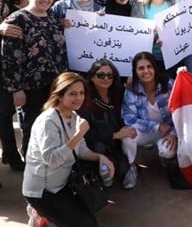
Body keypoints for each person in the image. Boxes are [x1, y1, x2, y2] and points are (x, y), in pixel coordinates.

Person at [23, 72, 115, 227]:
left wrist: (101, 158)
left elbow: (81, 151)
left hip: (63, 184)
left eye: (81, 93)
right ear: (59, 95)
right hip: (43, 191)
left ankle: (42, 214)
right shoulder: (48, 121)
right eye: (72, 94)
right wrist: (78, 134)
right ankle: (38, 210)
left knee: (90, 212)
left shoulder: (73, 116)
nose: (78, 98)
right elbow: (51, 160)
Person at [2, 0, 68, 157]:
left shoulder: (52, 19)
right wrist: (16, 89)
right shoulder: (17, 19)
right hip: (30, 88)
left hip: (54, 85)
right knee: (32, 125)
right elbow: (9, 58)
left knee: (51, 124)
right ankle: (31, 164)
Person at [121, 52, 181, 190]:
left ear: (155, 68)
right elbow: (128, 117)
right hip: (146, 131)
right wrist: (156, 126)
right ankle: (131, 167)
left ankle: (164, 156)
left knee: (167, 152)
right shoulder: (131, 89)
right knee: (126, 136)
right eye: (141, 68)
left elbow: (180, 111)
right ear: (135, 71)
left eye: (149, 67)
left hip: (167, 131)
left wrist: (173, 132)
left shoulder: (169, 84)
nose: (146, 71)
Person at [79, 59, 134, 188]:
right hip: (95, 145)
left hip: (116, 144)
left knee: (121, 169)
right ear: (92, 77)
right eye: (100, 75)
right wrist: (114, 135)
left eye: (110, 75)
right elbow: (87, 134)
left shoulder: (118, 93)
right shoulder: (85, 100)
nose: (106, 79)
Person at [0, 0, 31, 171]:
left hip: (31, 65)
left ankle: (27, 151)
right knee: (5, 111)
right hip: (6, 65)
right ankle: (10, 153)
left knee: (27, 111)